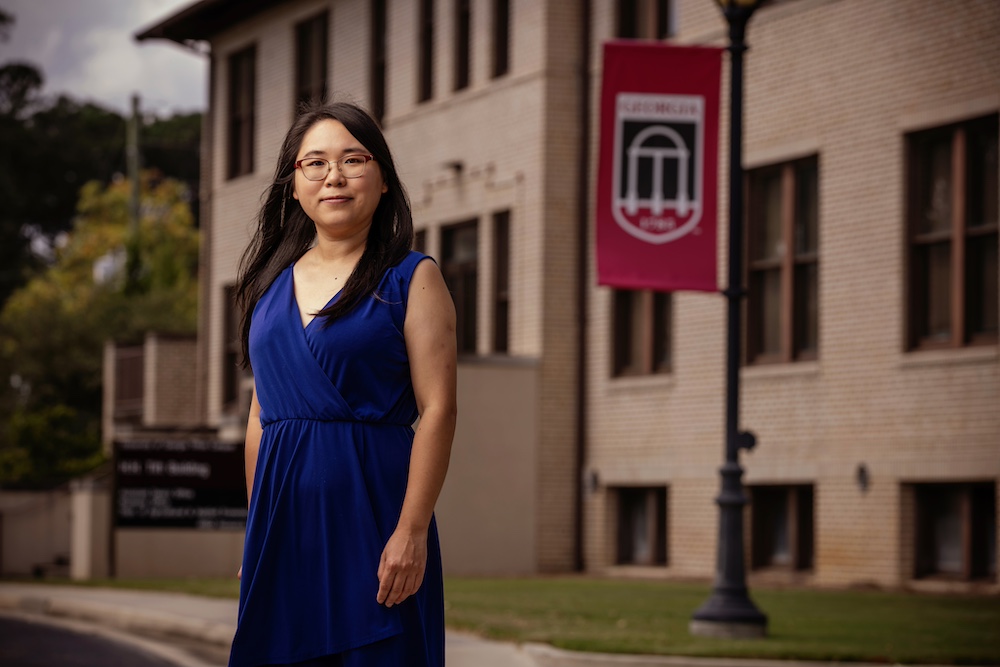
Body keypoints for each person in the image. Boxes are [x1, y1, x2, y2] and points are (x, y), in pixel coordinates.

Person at [228, 101, 457, 667]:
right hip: (284, 527)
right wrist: (259, 525)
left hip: (376, 519)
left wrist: (413, 531)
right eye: (315, 163)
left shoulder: (412, 278)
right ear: (293, 187)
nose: (334, 176)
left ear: (382, 181)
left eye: (353, 159)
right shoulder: (266, 286)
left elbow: (438, 409)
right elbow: (262, 414)